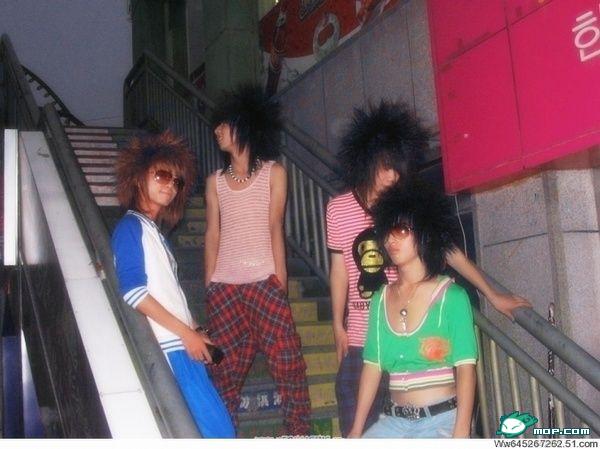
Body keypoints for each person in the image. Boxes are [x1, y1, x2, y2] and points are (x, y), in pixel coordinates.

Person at [326, 101, 531, 437]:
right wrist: (337, 323)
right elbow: (339, 270)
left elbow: (448, 251)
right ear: (367, 161)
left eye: (398, 170)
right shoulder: (338, 209)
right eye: (386, 167)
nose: (392, 176)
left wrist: (492, 295)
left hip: (410, 335)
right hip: (364, 334)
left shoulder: (406, 208)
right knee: (353, 424)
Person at [111, 131, 235, 438]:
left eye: (177, 181)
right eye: (162, 175)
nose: (170, 185)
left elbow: (167, 293)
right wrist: (186, 334)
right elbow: (133, 292)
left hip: (181, 346)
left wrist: (194, 329)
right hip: (170, 349)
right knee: (217, 433)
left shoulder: (153, 231)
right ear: (138, 177)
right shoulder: (130, 227)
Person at [204, 85, 310, 435]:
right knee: (223, 373)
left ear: (245, 126)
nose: (217, 130)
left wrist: (281, 279)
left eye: (224, 124)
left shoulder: (273, 173)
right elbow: (213, 234)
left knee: (288, 364)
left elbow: (275, 225)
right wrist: (210, 284)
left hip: (265, 282)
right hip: (225, 287)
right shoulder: (214, 182)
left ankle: (298, 434)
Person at [349, 181, 477, 438]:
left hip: (442, 421)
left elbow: (466, 369)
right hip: (393, 423)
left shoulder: (452, 298)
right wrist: (356, 431)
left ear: (425, 233)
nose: (390, 239)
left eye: (401, 229)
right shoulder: (380, 299)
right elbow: (372, 367)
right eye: (387, 230)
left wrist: (461, 432)